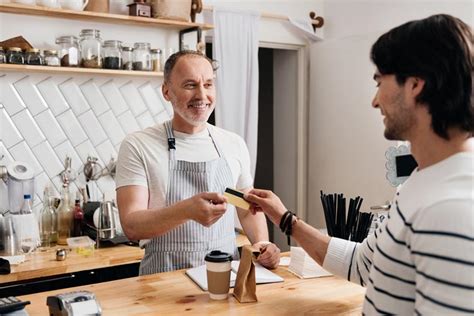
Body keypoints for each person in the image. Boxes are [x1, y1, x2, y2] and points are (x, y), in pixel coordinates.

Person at [245, 14, 473, 314]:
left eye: (380, 82)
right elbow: (362, 264)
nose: (375, 101)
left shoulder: (451, 208)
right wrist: (285, 218)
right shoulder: (419, 182)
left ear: (415, 85)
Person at [116, 50, 280, 275]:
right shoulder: (138, 145)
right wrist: (186, 210)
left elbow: (246, 209)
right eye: (190, 85)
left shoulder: (232, 143)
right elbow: (132, 225)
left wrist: (262, 244)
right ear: (167, 91)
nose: (202, 95)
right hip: (163, 281)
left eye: (209, 84)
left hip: (224, 277)